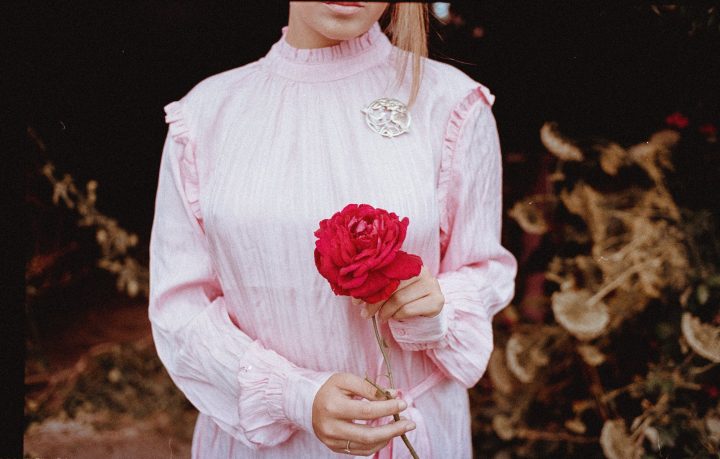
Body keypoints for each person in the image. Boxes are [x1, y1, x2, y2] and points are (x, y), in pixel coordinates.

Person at [149, 2, 517, 457]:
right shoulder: (206, 114)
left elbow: (484, 269)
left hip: (407, 437)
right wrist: (294, 395)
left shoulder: (451, 103)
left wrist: (436, 311)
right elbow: (179, 308)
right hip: (264, 445)